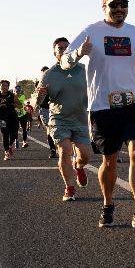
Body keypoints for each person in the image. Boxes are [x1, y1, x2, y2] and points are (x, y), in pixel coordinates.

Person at [60, 0, 135, 229]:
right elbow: (64, 60)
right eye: (114, 5)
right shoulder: (91, 31)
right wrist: (78, 53)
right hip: (102, 107)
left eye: (123, 4)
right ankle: (108, 204)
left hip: (131, 104)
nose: (119, 9)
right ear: (104, 8)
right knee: (109, 162)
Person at [36, 37, 91, 202]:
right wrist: (38, 95)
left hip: (81, 119)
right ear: (55, 54)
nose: (64, 50)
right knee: (64, 151)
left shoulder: (84, 69)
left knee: (85, 156)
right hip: (59, 119)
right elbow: (38, 101)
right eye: (60, 48)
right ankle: (69, 187)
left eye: (67, 47)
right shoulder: (49, 74)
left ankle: (78, 166)